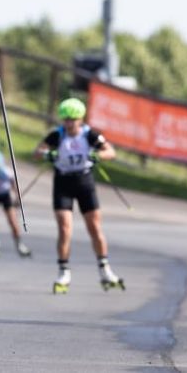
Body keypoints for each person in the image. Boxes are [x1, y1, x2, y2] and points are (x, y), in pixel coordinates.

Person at [34, 97, 124, 294]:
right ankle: (63, 271)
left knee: (94, 227)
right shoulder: (57, 136)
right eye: (65, 119)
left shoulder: (90, 135)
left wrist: (98, 155)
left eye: (73, 120)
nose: (69, 123)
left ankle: (105, 270)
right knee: (65, 228)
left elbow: (111, 152)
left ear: (80, 119)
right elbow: (38, 151)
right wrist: (48, 155)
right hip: (63, 182)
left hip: (84, 182)